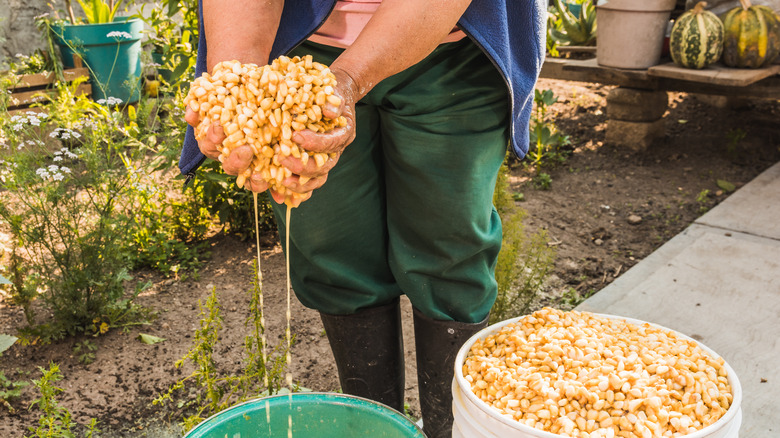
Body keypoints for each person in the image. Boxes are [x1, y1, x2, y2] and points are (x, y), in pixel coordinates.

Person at [180, 1, 546, 436]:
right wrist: (234, 90)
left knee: (449, 250)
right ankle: (373, 426)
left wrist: (349, 79)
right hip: (298, 52)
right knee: (333, 249)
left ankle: (451, 428)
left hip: (455, 44)